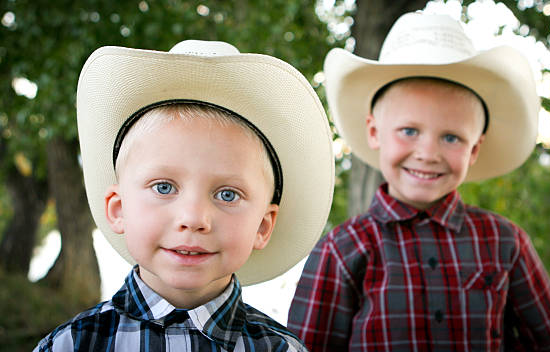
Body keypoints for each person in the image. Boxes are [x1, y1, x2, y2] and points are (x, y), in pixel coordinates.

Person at [287, 12, 550, 351]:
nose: (428, 153)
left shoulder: (506, 242)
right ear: (374, 132)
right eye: (409, 131)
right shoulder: (341, 251)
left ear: (474, 149)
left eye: (451, 137)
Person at [35, 40, 335, 351]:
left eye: (228, 194)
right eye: (164, 187)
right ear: (119, 208)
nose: (193, 218)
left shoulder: (280, 349)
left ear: (262, 225)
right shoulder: (71, 344)